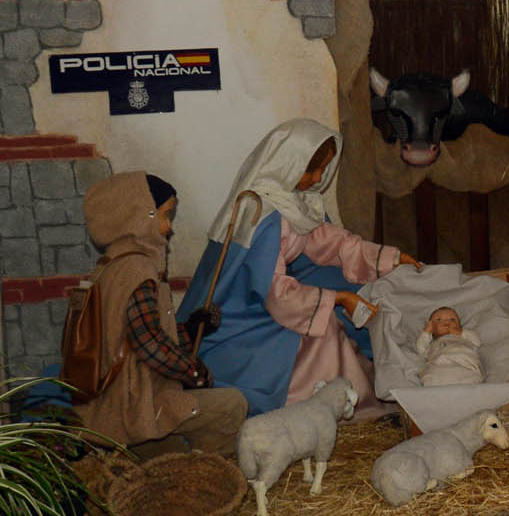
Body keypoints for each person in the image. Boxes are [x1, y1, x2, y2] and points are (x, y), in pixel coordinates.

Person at [179, 119, 422, 417]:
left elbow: (329, 242)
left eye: (323, 169)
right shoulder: (263, 214)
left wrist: (390, 260)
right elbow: (276, 292)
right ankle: (341, 407)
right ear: (288, 163)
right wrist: (338, 299)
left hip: (266, 302)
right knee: (325, 331)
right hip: (238, 320)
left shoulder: (292, 201)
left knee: (354, 295)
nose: (318, 178)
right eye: (311, 170)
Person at [73, 172, 248, 457]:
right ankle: (216, 477)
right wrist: (194, 371)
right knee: (232, 404)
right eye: (166, 216)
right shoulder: (138, 270)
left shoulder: (107, 268)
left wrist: (189, 330)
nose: (168, 228)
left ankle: (185, 472)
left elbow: (131, 337)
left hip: (108, 404)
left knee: (173, 455)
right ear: (140, 217)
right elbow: (148, 343)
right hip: (136, 406)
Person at [414, 306, 484, 387]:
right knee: (431, 376)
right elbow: (421, 348)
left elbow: (477, 342)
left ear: (459, 326)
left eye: (452, 320)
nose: (447, 322)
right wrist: (426, 332)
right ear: (432, 328)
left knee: (470, 377)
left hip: (465, 363)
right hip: (438, 365)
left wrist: (461, 333)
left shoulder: (463, 337)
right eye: (439, 320)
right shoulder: (432, 343)